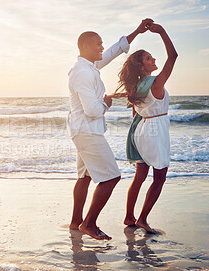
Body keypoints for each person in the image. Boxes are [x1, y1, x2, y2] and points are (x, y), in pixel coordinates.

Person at [67, 18, 154, 240]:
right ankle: (90, 224)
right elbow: (93, 110)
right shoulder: (83, 72)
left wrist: (137, 32)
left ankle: (76, 222)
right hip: (88, 131)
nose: (102, 48)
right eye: (98, 44)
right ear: (86, 47)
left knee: (85, 177)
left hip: (82, 130)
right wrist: (106, 101)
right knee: (111, 178)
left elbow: (116, 50)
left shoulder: (90, 66)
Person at [113, 23, 178, 233]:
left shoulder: (137, 86)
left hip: (140, 131)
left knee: (140, 176)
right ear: (142, 67)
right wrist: (162, 32)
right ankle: (142, 219)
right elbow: (173, 56)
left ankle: (129, 216)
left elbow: (135, 112)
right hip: (156, 131)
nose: (154, 60)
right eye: (149, 58)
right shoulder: (155, 83)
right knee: (159, 178)